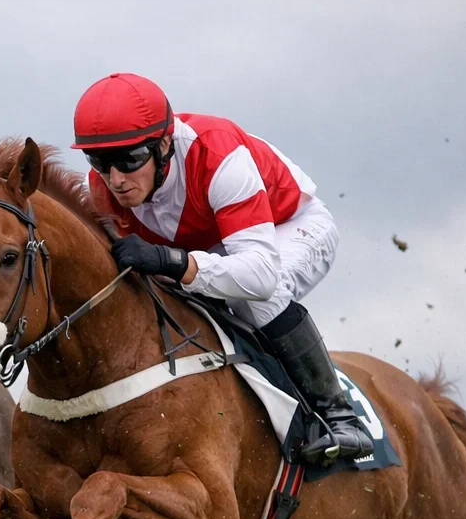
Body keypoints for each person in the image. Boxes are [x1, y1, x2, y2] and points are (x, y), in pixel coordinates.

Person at [73, 72, 373, 463]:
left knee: (252, 298)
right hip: (214, 249)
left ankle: (341, 418)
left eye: (130, 160)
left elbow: (260, 275)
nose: (116, 179)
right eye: (100, 162)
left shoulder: (217, 156)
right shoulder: (101, 188)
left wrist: (173, 261)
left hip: (289, 228)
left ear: (164, 144)